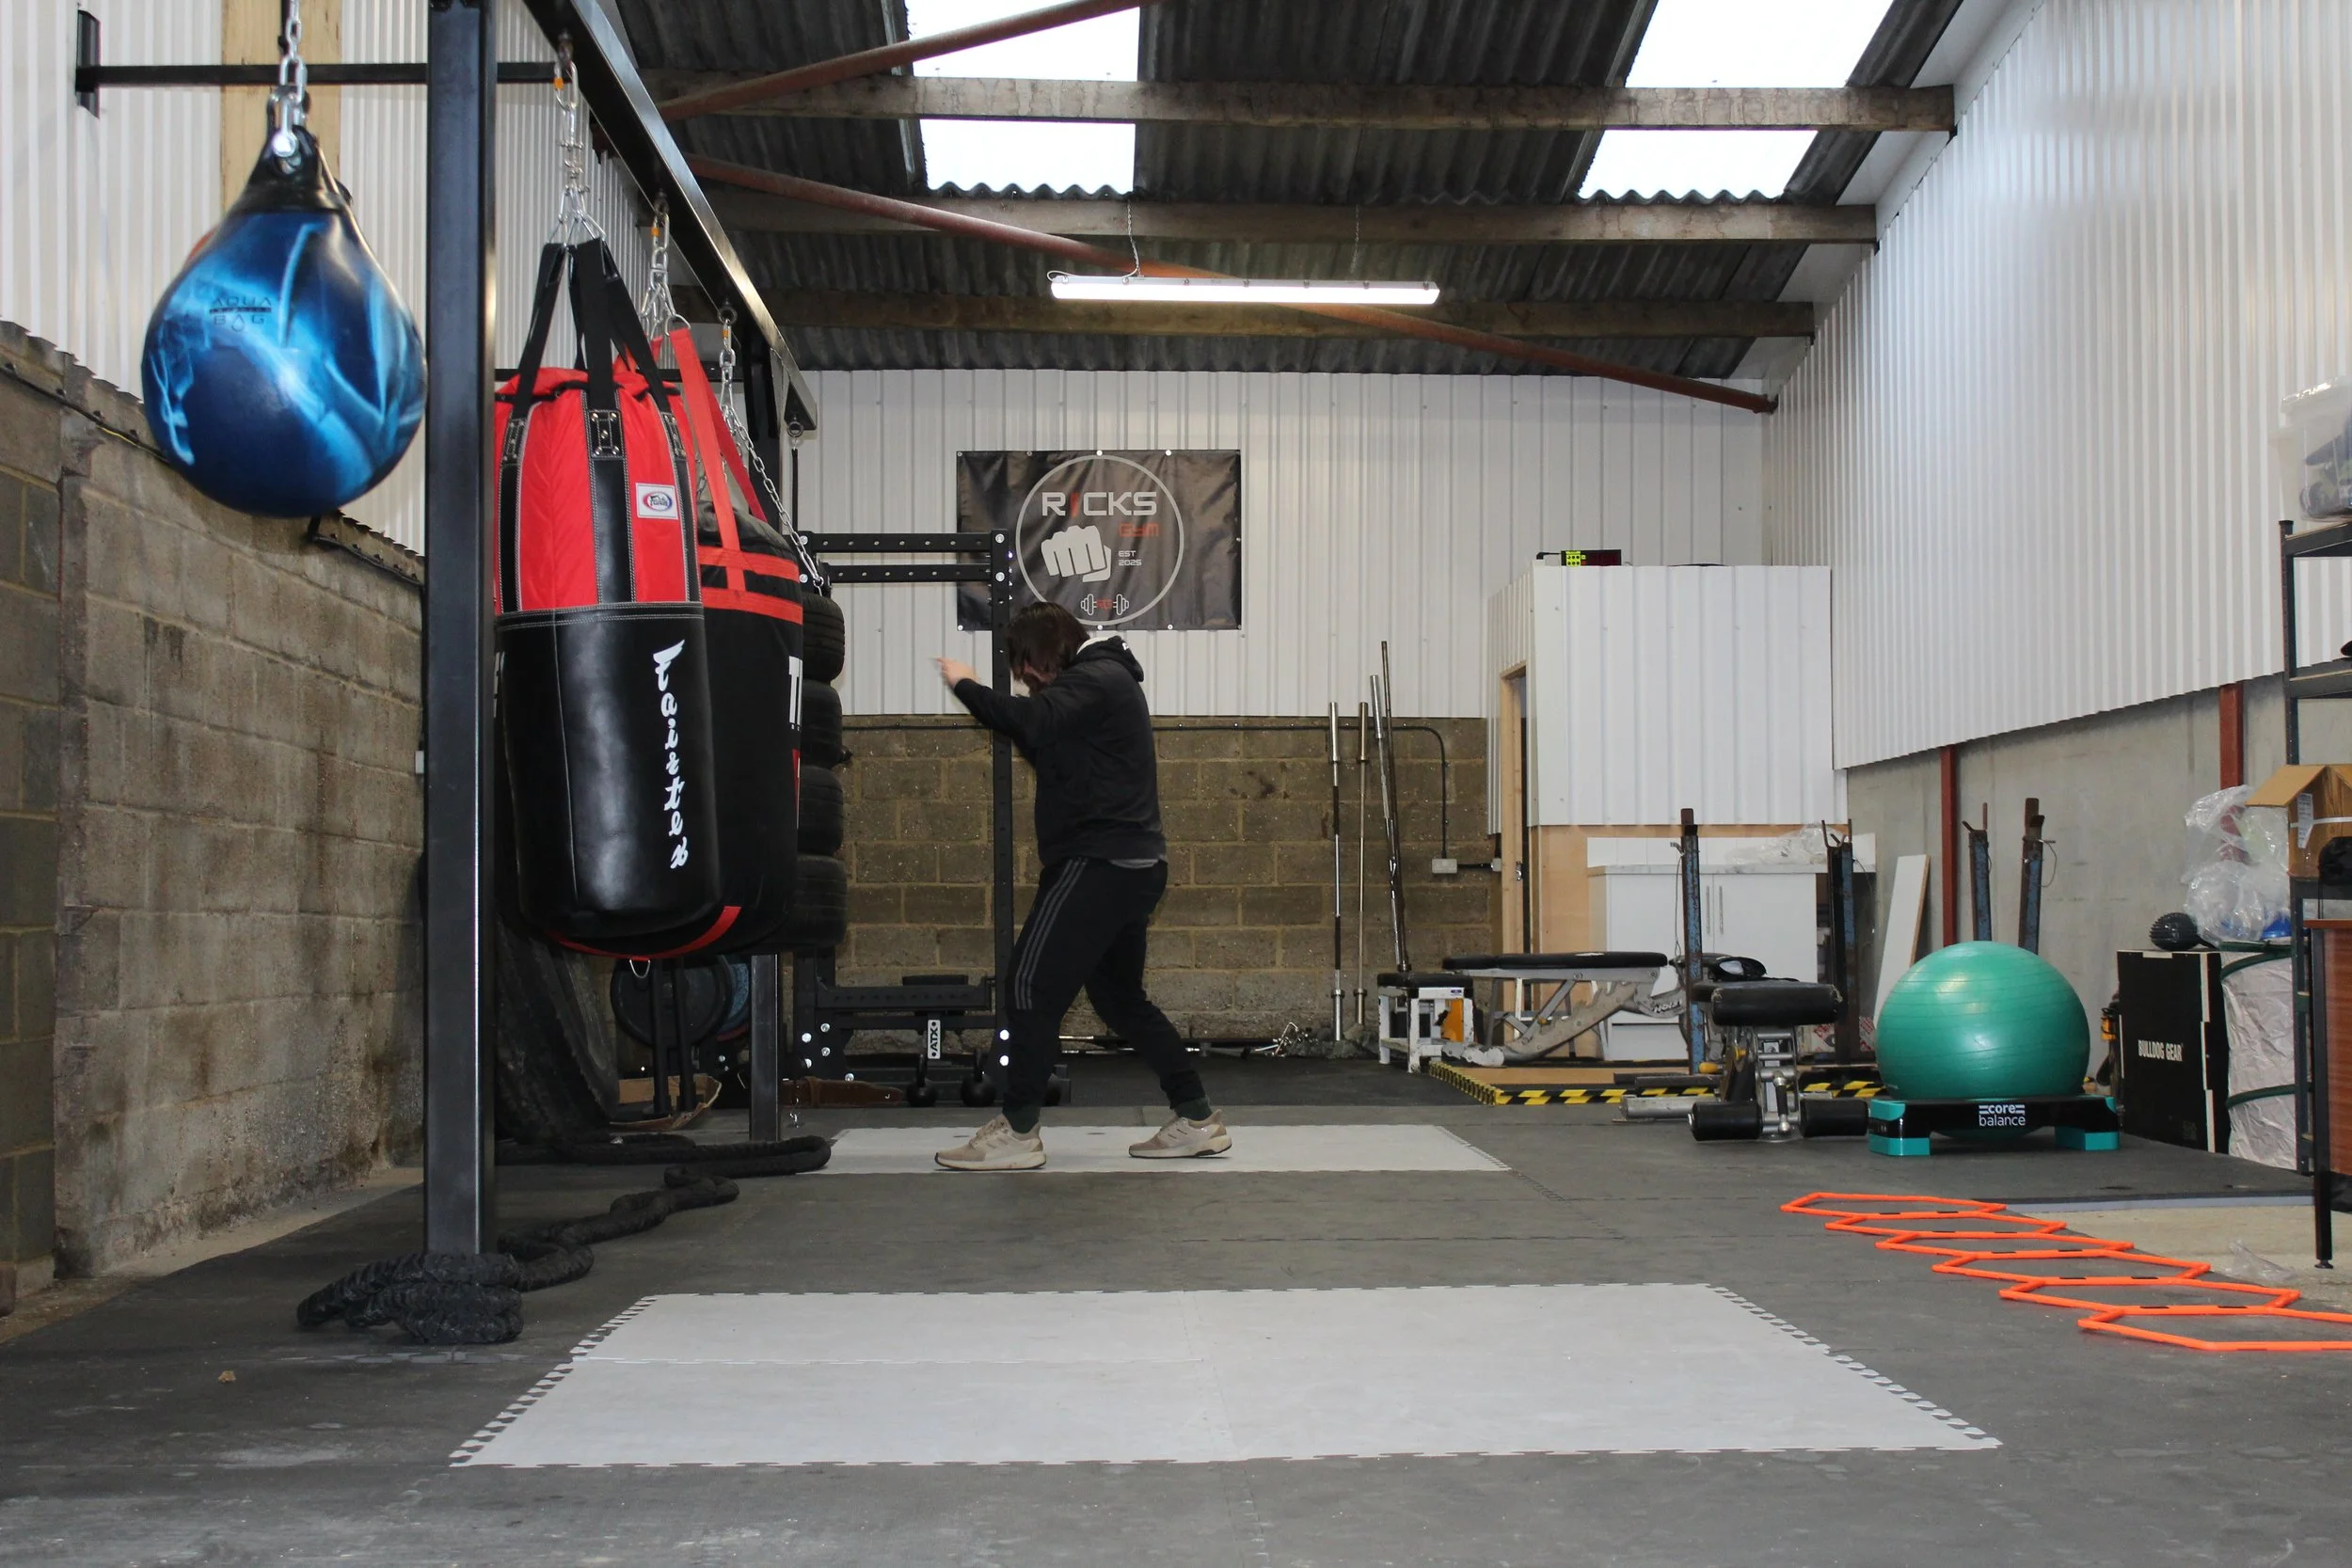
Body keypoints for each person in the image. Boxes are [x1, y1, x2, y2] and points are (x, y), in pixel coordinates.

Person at [930, 603, 1230, 1171]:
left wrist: (966, 685)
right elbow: (1044, 742)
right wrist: (1008, 715)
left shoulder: (1098, 677)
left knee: (1027, 984)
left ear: (1050, 649)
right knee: (1119, 1000)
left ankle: (1019, 1131)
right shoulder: (1099, 688)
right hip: (1131, 866)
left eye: (1028, 665)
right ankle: (1196, 1117)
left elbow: (1033, 722)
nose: (1027, 678)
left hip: (1098, 864)